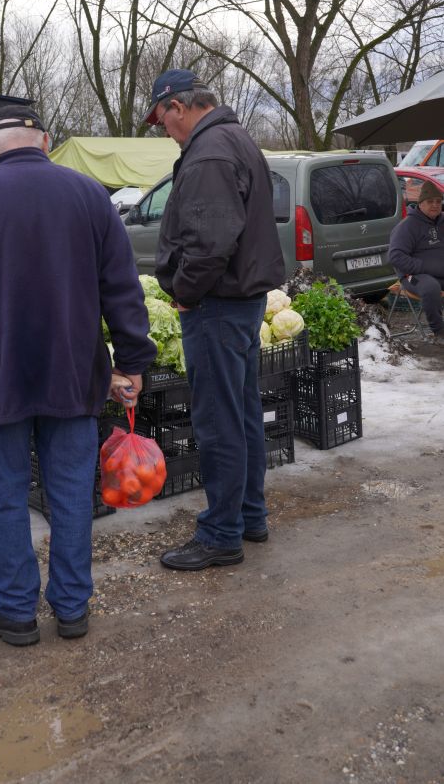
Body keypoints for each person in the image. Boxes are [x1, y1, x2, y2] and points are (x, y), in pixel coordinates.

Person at [0, 104, 155, 646]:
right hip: (73, 374)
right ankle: (72, 608)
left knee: (3, 493)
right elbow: (122, 288)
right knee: (70, 490)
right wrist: (132, 359)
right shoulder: (89, 196)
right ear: (44, 142)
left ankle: (16, 610)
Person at [144, 69, 285, 571]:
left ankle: (222, 534)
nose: (164, 131)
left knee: (218, 421)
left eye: (162, 120)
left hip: (217, 305)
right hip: (239, 302)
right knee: (241, 413)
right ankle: (249, 516)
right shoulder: (234, 138)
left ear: (179, 107)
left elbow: (210, 243)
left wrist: (185, 292)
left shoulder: (209, 153)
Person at [389, 179, 444, 342]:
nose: (435, 205)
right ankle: (439, 331)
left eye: (438, 201)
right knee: (430, 288)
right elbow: (395, 256)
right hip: (413, 276)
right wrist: (425, 266)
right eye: (430, 201)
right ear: (421, 203)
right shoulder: (407, 226)